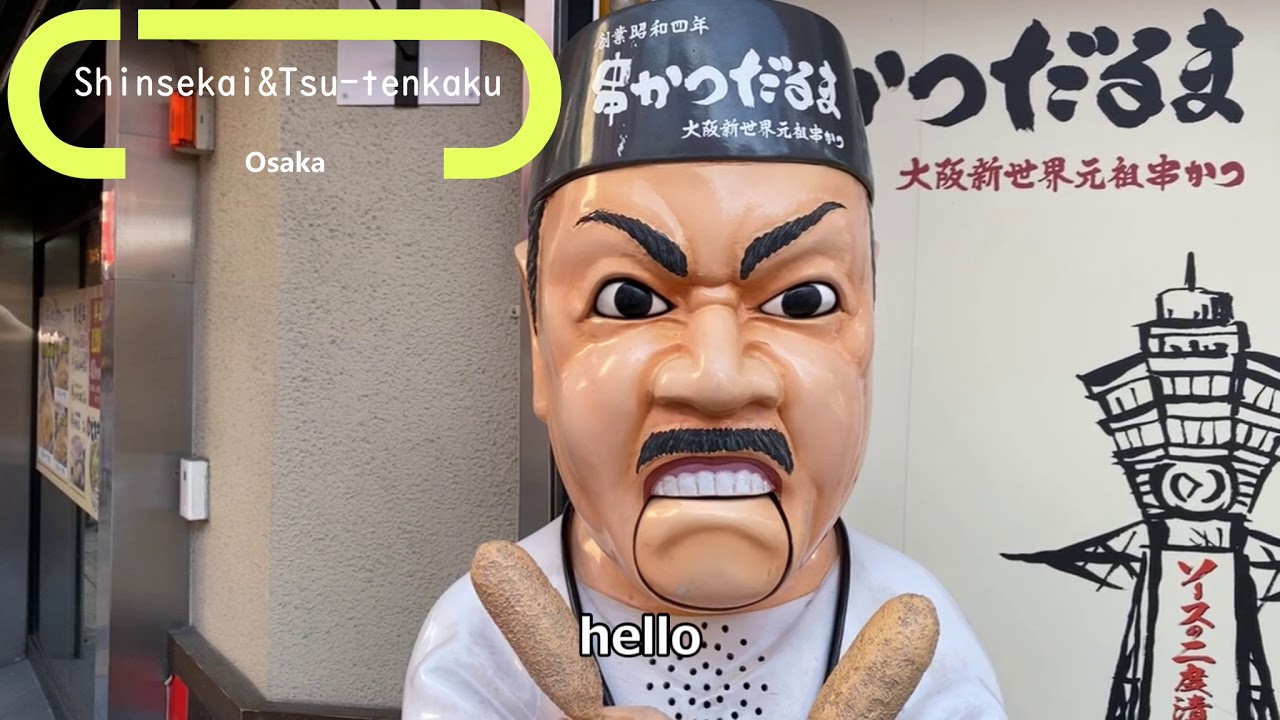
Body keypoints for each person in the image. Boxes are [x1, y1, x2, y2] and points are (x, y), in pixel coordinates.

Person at [403, 0, 1007, 717]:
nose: (717, 377)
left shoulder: (911, 627)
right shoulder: (482, 645)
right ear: (539, 343)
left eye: (803, 301)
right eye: (628, 301)